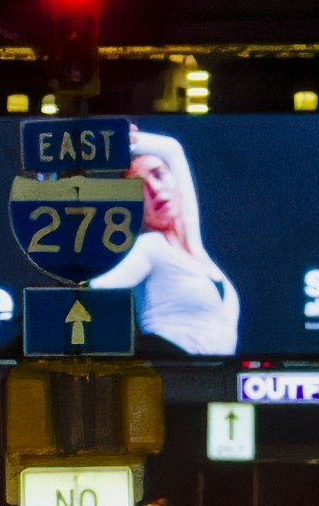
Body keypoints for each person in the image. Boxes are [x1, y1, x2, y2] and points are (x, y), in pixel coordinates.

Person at [85, 126, 240, 358]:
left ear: (175, 181)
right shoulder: (151, 247)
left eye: (159, 175)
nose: (155, 190)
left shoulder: (194, 249)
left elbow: (172, 149)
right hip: (171, 370)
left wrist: (117, 139)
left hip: (211, 379)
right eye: (139, 190)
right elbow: (95, 290)